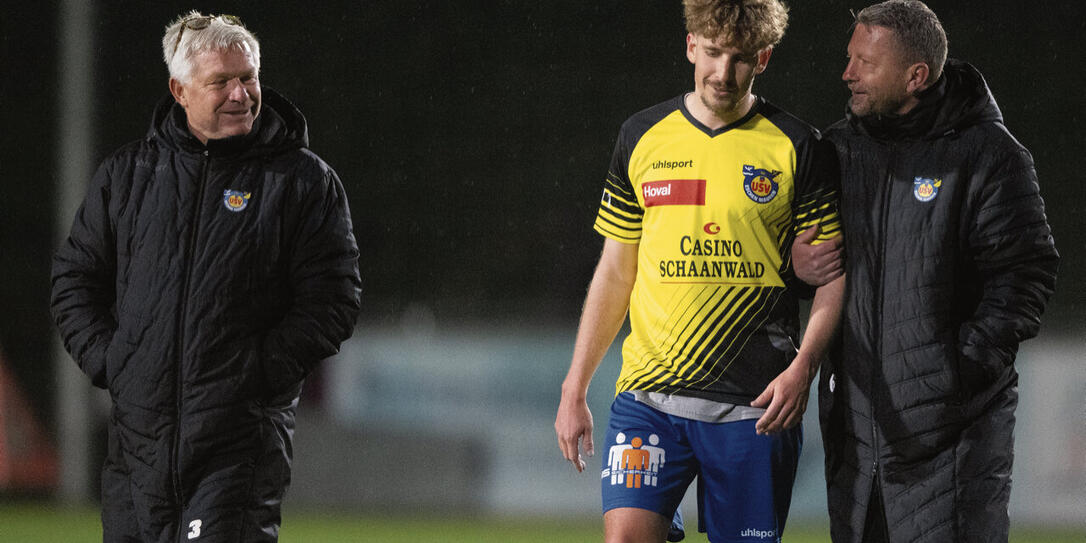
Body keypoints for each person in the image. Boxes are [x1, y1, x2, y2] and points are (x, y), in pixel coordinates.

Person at [50, 12, 361, 542]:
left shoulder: (302, 181)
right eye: (221, 82)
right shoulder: (127, 176)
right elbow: (74, 281)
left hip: (237, 444)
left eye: (248, 78)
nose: (241, 94)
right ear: (180, 90)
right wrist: (113, 361)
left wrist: (258, 372)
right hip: (137, 447)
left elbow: (333, 300)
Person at [554, 1, 845, 541]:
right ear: (691, 46)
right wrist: (576, 386)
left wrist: (803, 367)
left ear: (763, 59)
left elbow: (832, 275)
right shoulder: (641, 135)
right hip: (649, 396)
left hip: (753, 404)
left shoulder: (799, 146)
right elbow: (616, 270)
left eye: (740, 58)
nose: (723, 72)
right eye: (712, 52)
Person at [793, 1, 1059, 541]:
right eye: (850, 57)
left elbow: (1024, 272)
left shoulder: (990, 155)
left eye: (865, 63)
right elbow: (814, 267)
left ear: (916, 76)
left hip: (953, 442)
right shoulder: (838, 150)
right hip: (857, 436)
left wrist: (956, 373)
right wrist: (796, 267)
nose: (847, 73)